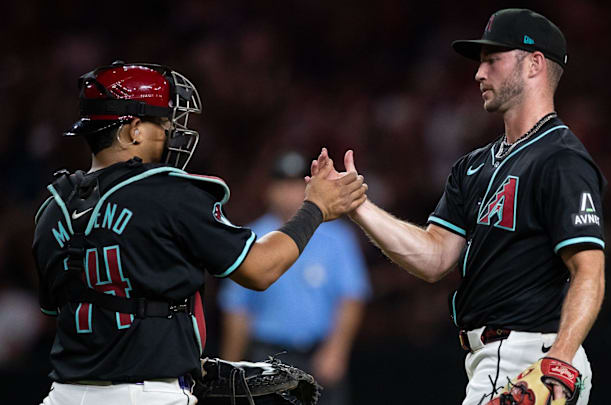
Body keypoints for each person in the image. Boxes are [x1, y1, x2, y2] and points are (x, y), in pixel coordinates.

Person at [314, 9, 605, 405]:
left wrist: (562, 358)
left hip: (535, 358)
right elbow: (435, 257)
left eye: (492, 59)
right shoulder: (472, 166)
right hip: (490, 360)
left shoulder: (560, 157)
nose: (478, 73)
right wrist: (357, 205)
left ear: (534, 63)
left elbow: (589, 270)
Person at [32, 61, 367, 405]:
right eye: (163, 122)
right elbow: (260, 268)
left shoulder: (53, 207)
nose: (171, 131)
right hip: (149, 395)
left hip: (63, 395)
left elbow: (73, 314)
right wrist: (315, 208)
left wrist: (184, 358)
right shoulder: (169, 193)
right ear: (133, 129)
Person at [218, 151, 371, 405]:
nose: (289, 193)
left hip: (319, 354)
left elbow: (351, 297)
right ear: (269, 190)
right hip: (268, 357)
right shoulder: (250, 237)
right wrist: (233, 367)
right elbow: (237, 310)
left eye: (295, 185)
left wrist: (337, 350)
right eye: (282, 185)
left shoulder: (336, 238)